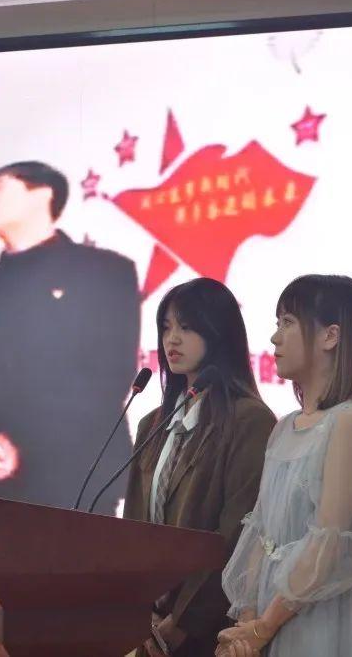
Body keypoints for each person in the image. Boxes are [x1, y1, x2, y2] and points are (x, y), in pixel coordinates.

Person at [217, 275, 352, 657]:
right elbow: (261, 532)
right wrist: (249, 622)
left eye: (288, 323)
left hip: (319, 621)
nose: (275, 338)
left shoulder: (350, 422)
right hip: (268, 622)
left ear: (331, 336)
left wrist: (265, 626)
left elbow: (329, 546)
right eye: (277, 323)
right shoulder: (282, 427)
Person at [0, 161, 140, 513]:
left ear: (42, 194)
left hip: (80, 468)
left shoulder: (105, 270)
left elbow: (110, 372)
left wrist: (20, 442)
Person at [124, 278, 276, 657]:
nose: (172, 339)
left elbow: (236, 535)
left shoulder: (250, 420)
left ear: (218, 332)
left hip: (211, 634)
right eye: (166, 327)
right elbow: (133, 528)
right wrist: (137, 614)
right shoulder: (151, 424)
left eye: (187, 327)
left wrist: (182, 623)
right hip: (147, 632)